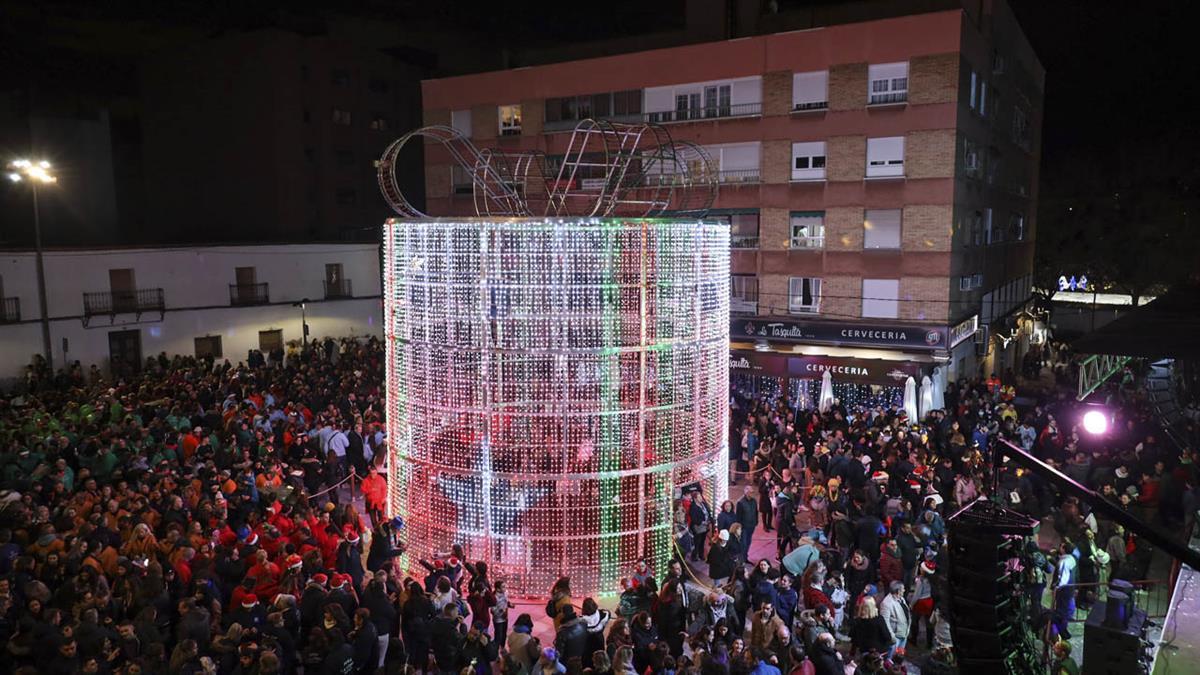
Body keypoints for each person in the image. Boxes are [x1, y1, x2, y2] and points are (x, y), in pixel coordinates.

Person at [878, 581, 911, 658]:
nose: (904, 590)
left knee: (899, 657)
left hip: (903, 635)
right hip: (895, 638)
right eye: (903, 589)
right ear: (898, 591)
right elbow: (885, 622)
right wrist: (892, 637)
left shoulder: (901, 599)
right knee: (890, 659)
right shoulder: (886, 603)